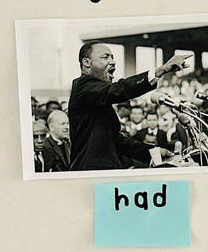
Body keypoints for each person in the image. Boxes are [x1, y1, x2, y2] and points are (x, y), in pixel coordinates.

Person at [68, 41, 185, 170]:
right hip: (91, 173)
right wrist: (161, 70)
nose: (113, 62)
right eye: (105, 57)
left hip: (103, 172)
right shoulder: (83, 86)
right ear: (87, 62)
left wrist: (153, 152)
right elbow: (120, 89)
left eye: (112, 57)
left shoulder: (97, 97)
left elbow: (116, 141)